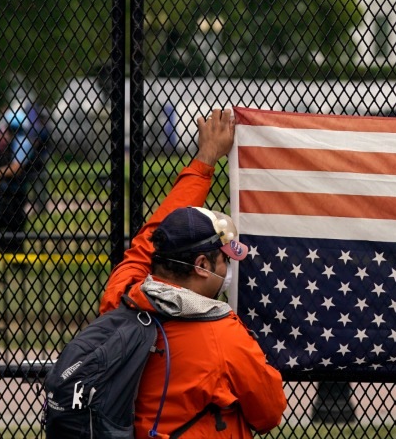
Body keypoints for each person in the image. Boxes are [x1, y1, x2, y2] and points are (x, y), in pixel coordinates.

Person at [98, 108, 286, 438]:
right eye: (224, 259)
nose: (229, 267)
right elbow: (269, 413)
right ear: (201, 265)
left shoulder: (123, 297)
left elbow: (150, 238)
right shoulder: (224, 336)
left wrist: (204, 161)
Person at [0, 109, 36, 254]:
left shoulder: (22, 142)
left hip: (16, 194)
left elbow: (16, 168)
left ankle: (16, 258)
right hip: (6, 193)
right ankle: (9, 254)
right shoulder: (12, 144)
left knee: (14, 230)